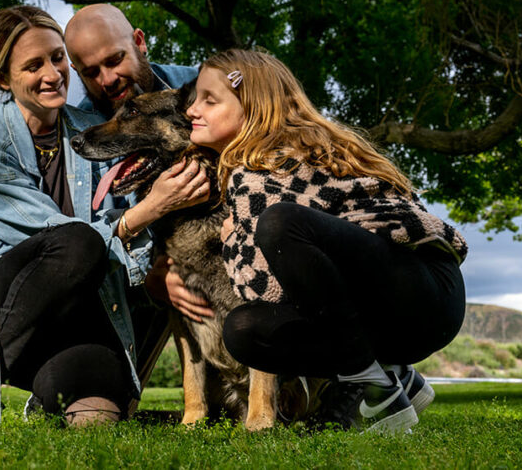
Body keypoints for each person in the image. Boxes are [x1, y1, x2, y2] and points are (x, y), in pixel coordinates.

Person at [0, 5, 209, 427]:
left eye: (56, 58)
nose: (52, 74)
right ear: (3, 79)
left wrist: (160, 263)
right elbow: (59, 234)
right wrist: (146, 211)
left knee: (98, 414)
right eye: (33, 66)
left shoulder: (90, 131)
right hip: (2, 310)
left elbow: (129, 228)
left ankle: (48, 394)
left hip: (77, 316)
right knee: (77, 243)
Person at [185, 48, 467, 434]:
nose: (191, 111)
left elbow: (263, 287)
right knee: (244, 330)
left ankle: (376, 388)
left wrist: (233, 239)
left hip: (422, 289)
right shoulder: (287, 153)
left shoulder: (263, 169)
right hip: (401, 310)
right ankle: (392, 372)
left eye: (209, 99)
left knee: (279, 224)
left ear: (251, 108)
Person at [63, 4, 215, 383]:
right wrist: (149, 276)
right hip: (140, 286)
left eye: (115, 60)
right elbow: (88, 241)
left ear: (139, 42)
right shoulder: (82, 136)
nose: (108, 79)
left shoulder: (200, 89)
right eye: (91, 72)